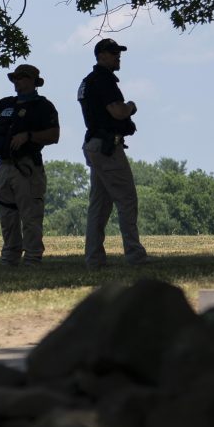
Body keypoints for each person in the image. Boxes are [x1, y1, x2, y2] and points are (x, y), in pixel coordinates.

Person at [0, 63, 60, 266]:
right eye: (15, 78)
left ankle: (32, 258)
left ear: (33, 81)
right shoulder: (8, 104)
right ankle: (10, 258)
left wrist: (29, 136)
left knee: (30, 217)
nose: (17, 81)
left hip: (27, 168)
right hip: (4, 166)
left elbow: (54, 135)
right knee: (8, 217)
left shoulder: (43, 106)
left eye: (21, 77)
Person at [78, 37, 147, 266]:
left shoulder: (88, 81)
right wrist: (132, 107)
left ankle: (94, 259)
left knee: (99, 205)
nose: (118, 56)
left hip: (95, 146)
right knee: (126, 199)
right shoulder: (104, 79)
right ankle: (134, 255)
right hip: (108, 147)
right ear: (101, 56)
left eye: (118, 52)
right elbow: (117, 112)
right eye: (114, 52)